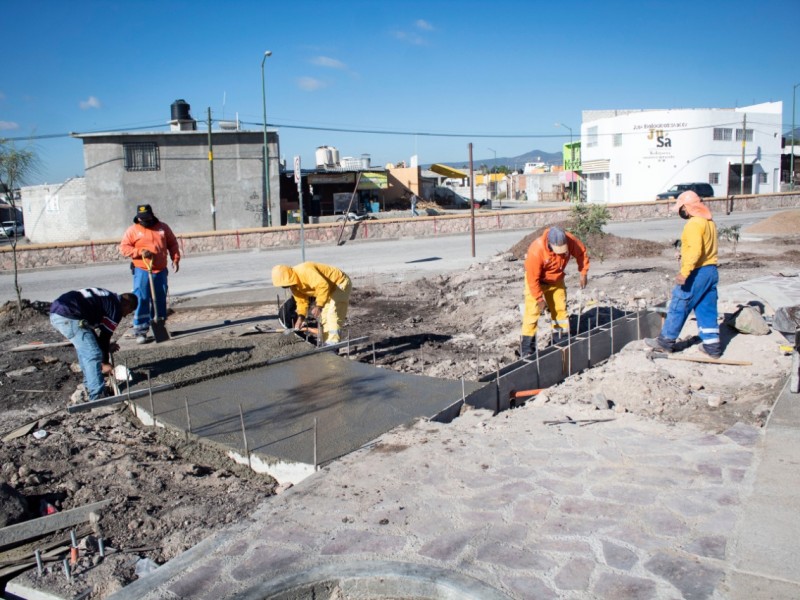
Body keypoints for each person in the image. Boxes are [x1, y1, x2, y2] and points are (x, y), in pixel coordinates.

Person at [645, 191, 721, 358]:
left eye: (680, 208)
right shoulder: (709, 222)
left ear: (687, 207)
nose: (680, 212)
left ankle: (665, 342)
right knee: (706, 308)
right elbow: (703, 248)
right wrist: (683, 255)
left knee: (679, 303)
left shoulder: (694, 224)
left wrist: (685, 272)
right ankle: (712, 346)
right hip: (711, 270)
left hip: (697, 272)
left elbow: (695, 250)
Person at [50, 288, 138, 401]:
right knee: (93, 354)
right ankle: (98, 397)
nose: (125, 315)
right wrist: (105, 363)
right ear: (127, 304)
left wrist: (104, 350)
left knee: (87, 350)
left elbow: (98, 338)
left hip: (61, 311)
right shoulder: (116, 307)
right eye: (128, 311)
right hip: (69, 315)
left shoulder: (108, 298)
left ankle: (88, 386)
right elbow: (105, 337)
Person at [520, 226, 589, 356]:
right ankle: (527, 349)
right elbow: (532, 279)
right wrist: (539, 299)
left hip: (556, 280)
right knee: (532, 314)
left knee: (560, 311)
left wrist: (583, 272)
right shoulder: (536, 251)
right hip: (537, 281)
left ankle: (560, 341)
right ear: (549, 244)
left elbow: (581, 252)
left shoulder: (569, 240)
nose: (561, 254)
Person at [119, 204, 180, 344]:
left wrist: (175, 259)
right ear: (138, 218)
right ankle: (141, 331)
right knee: (142, 298)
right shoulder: (133, 230)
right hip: (142, 269)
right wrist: (139, 252)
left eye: (146, 218)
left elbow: (172, 243)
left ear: (152, 215)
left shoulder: (162, 228)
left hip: (160, 270)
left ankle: (160, 325)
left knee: (160, 298)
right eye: (141, 219)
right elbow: (124, 248)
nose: (143, 221)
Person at [271, 262, 352, 345]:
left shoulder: (305, 271)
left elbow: (323, 286)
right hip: (329, 289)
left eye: (286, 284)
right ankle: (326, 342)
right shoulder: (294, 285)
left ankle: (333, 344)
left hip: (339, 283)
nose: (286, 286)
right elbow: (301, 302)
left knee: (332, 314)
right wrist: (300, 318)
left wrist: (319, 306)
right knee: (324, 317)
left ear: (289, 277)